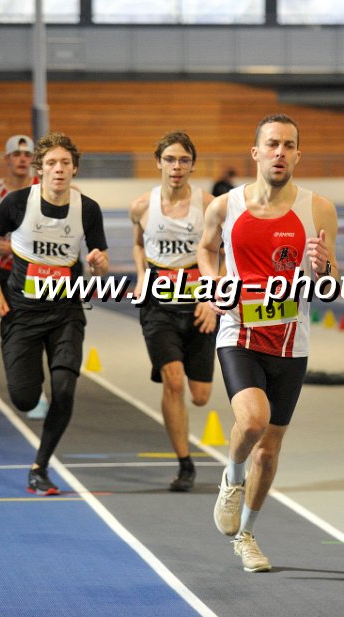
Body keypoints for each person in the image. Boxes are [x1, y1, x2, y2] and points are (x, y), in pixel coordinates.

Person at [196, 113, 338, 573]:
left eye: (289, 145)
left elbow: (330, 283)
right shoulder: (225, 206)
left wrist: (323, 266)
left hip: (291, 340)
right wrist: (212, 283)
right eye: (272, 144)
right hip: (239, 331)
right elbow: (205, 249)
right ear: (255, 152)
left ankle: (247, 536)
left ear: (298, 155)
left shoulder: (319, 209)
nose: (280, 152)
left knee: (270, 450)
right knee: (253, 420)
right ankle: (231, 478)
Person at [0, 132, 110, 496]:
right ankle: (29, 385)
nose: (58, 169)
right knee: (24, 397)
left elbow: (101, 262)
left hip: (66, 311)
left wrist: (98, 264)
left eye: (65, 163)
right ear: (40, 169)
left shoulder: (87, 209)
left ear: (74, 168)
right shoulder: (17, 203)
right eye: (51, 163)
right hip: (21, 311)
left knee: (64, 390)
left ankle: (40, 466)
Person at [128, 131, 218, 492]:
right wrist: (140, 276)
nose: (176, 166)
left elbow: (224, 253)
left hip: (198, 307)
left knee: (200, 396)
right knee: (174, 381)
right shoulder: (141, 206)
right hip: (158, 307)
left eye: (183, 160)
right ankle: (185, 464)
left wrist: (213, 298)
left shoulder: (210, 206)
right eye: (170, 159)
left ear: (192, 165)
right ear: (158, 163)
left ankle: (185, 460)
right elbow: (138, 244)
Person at [0, 134, 49, 420]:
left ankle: (39, 390)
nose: (22, 159)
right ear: (7, 159)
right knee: (19, 334)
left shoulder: (45, 188)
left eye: (27, 154)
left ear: (34, 159)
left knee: (42, 333)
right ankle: (31, 386)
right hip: (10, 276)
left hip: (43, 273)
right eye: (16, 154)